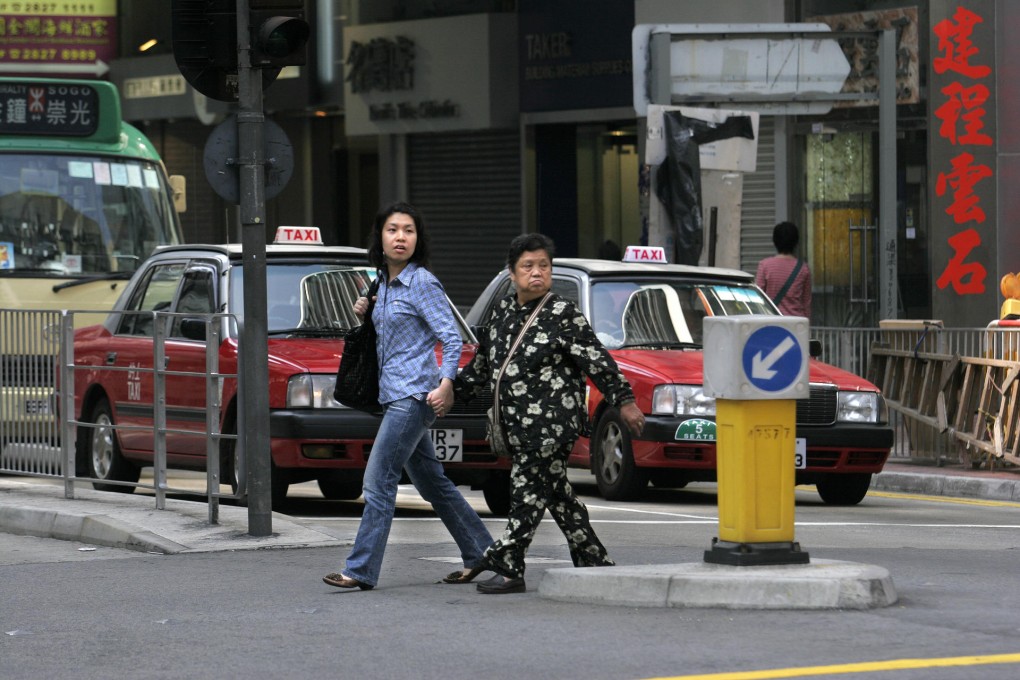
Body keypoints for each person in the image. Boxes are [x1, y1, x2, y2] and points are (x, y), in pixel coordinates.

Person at [455, 233, 644, 594]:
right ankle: (592, 559)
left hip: (551, 425)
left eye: (544, 265)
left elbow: (597, 361)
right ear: (512, 273)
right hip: (516, 425)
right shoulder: (503, 312)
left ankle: (509, 565)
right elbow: (482, 365)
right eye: (528, 266)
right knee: (557, 493)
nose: (537, 273)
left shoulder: (563, 315)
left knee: (525, 490)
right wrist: (451, 393)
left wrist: (625, 401)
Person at [322, 202, 493, 590]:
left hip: (413, 397)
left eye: (409, 231)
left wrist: (446, 383)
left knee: (378, 480)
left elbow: (452, 337)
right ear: (380, 239)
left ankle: (361, 569)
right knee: (434, 485)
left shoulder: (422, 283)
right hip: (393, 396)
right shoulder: (380, 283)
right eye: (393, 230)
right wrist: (365, 313)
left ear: (419, 239)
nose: (401, 237)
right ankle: (481, 552)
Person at [756, 221, 812, 319]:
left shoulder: (765, 266)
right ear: (796, 242)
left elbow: (758, 298)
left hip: (772, 321)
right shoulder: (803, 269)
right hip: (795, 323)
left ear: (775, 241)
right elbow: (806, 303)